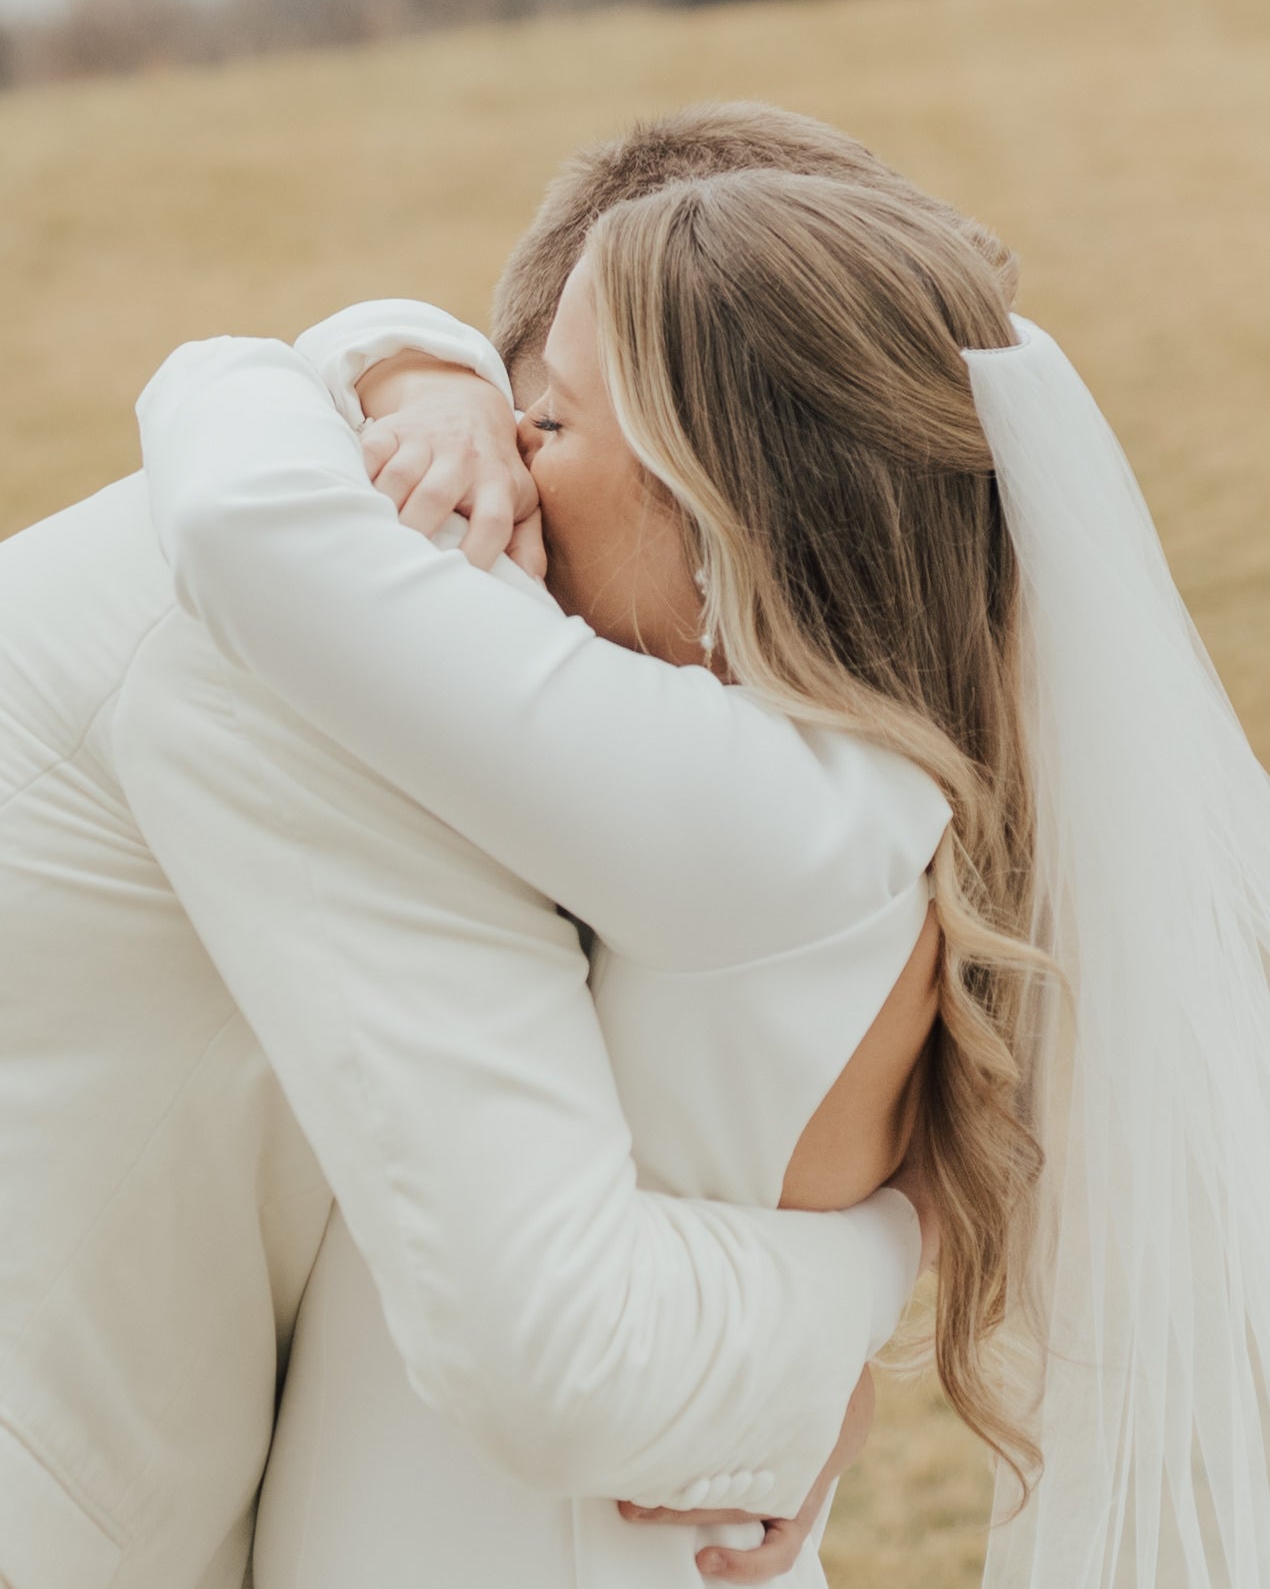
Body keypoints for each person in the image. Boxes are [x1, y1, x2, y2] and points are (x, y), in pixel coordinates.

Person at [130, 158, 1270, 1589]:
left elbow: (239, 504)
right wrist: (432, 368)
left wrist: (395, 365)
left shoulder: (754, 812)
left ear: (714, 508)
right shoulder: (871, 796)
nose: (513, 449)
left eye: (550, 415)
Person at [0, 105, 968, 1589]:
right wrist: (853, 1282)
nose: (506, 461)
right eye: (525, 412)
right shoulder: (364, 637)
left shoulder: (631, 744)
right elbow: (551, 1342)